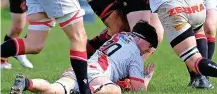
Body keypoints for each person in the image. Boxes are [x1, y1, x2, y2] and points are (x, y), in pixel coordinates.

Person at [10, 21, 158, 94]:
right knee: (115, 90)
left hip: (82, 68)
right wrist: (146, 79)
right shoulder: (136, 55)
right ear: (143, 40)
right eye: (150, 47)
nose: (148, 51)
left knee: (55, 89)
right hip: (97, 74)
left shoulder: (119, 35)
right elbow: (139, 89)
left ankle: (27, 83)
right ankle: (86, 91)